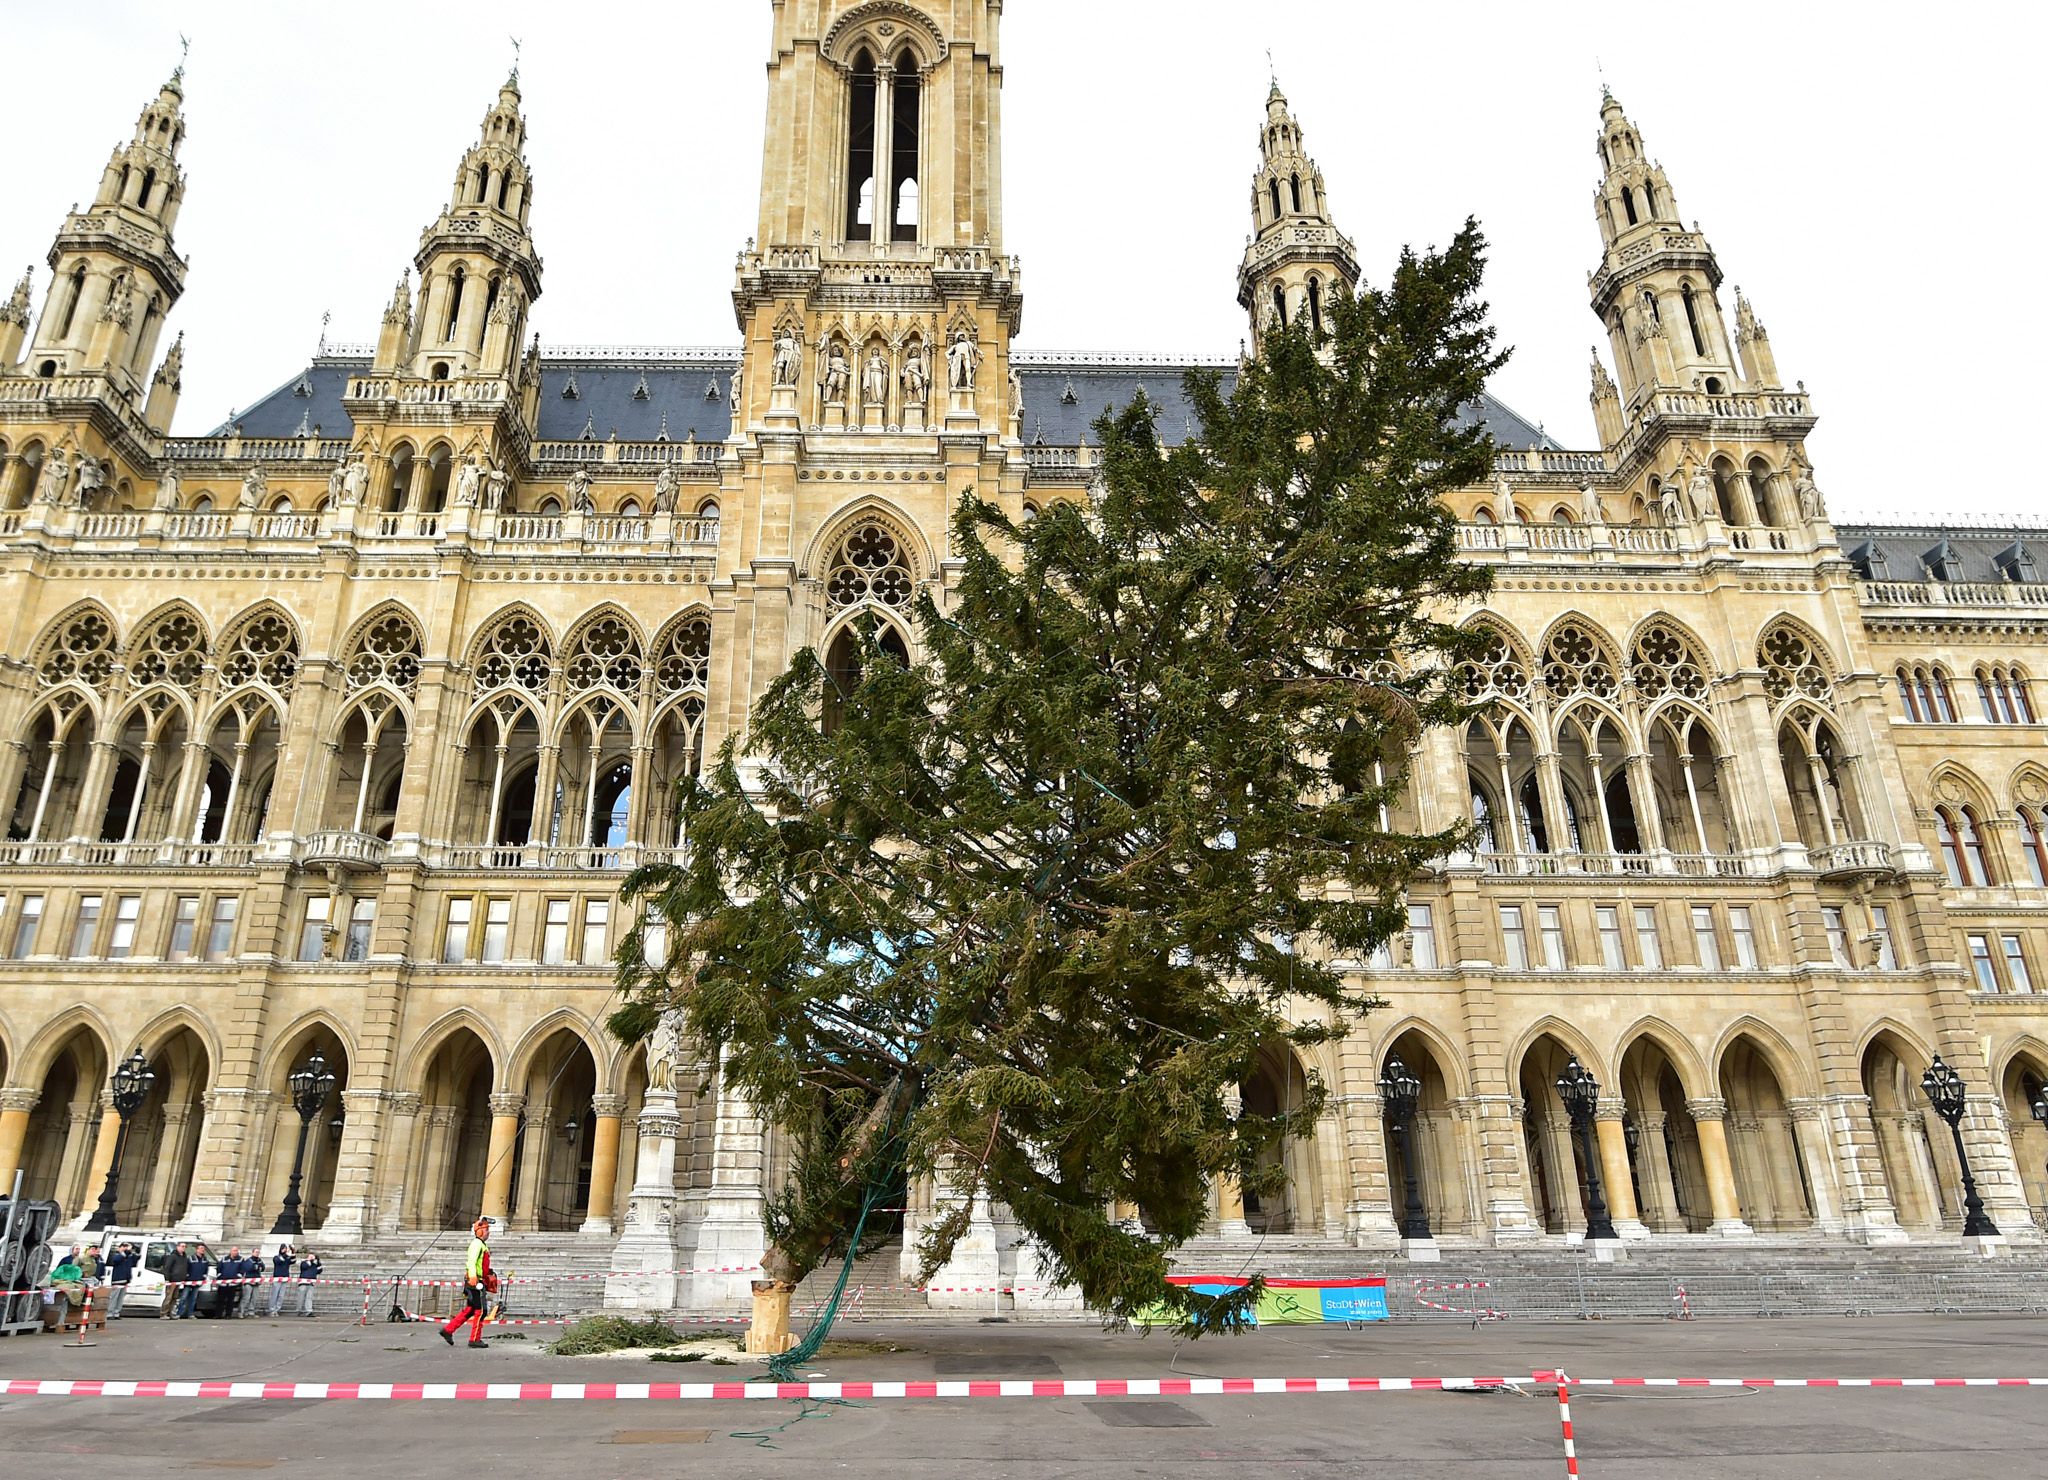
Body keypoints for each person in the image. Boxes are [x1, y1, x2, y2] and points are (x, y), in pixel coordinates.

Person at [439, 1218, 495, 1349]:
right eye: (486, 1230)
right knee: (481, 1310)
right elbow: (471, 1261)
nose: (488, 1233)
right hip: (475, 1281)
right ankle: (475, 1338)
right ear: (480, 1231)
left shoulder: (481, 1245)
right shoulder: (477, 1244)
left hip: (477, 1280)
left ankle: (448, 1330)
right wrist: (474, 1276)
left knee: (471, 1309)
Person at [178, 1242, 213, 1319]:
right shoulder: (190, 1258)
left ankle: (190, 1313)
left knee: (193, 1299)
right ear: (197, 1250)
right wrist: (186, 1277)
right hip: (188, 1281)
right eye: (201, 1249)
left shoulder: (205, 1260)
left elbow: (205, 1270)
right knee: (184, 1297)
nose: (202, 1250)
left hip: (198, 1282)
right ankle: (179, 1313)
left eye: (203, 1249)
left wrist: (203, 1278)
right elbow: (186, 1268)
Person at [106, 1242, 138, 1319]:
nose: (125, 1248)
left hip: (125, 1280)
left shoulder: (128, 1257)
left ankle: (117, 1312)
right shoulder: (117, 1255)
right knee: (114, 1297)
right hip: (117, 1280)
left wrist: (133, 1252)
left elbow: (135, 1261)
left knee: (120, 1297)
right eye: (124, 1246)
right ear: (119, 1247)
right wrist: (124, 1253)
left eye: (126, 1247)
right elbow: (116, 1261)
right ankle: (110, 1313)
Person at [164, 1241, 192, 1318]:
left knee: (174, 1298)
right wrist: (167, 1279)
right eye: (182, 1246)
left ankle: (171, 1313)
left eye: (185, 1247)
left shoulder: (184, 1257)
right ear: (178, 1247)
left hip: (179, 1281)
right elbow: (167, 1268)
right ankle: (163, 1313)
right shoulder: (173, 1256)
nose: (184, 1248)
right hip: (172, 1280)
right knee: (168, 1298)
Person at [268, 1244, 295, 1317]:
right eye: (284, 1248)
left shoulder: (287, 1258)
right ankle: (272, 1309)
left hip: (285, 1278)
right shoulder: (276, 1257)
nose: (285, 1250)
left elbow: (293, 1261)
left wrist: (293, 1251)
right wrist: (285, 1254)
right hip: (277, 1278)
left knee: (281, 1296)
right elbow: (279, 1261)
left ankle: (277, 1309)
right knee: (275, 1295)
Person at [297, 1250, 322, 1317]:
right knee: (301, 1297)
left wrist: (318, 1262)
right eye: (311, 1256)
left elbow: (319, 1271)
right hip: (303, 1282)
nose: (312, 1258)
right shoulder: (304, 1263)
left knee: (309, 1297)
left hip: (311, 1283)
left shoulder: (314, 1265)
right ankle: (299, 1310)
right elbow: (305, 1266)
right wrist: (310, 1260)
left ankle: (309, 1311)